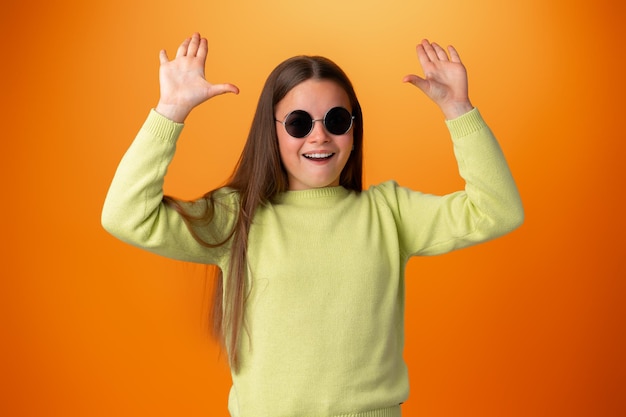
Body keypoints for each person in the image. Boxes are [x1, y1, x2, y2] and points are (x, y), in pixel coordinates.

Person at [102, 32, 523, 417]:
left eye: (336, 121)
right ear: (272, 131)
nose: (319, 136)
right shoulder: (238, 217)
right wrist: (169, 112)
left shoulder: (389, 213)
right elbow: (126, 216)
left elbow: (498, 209)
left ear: (354, 130)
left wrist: (458, 110)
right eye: (300, 123)